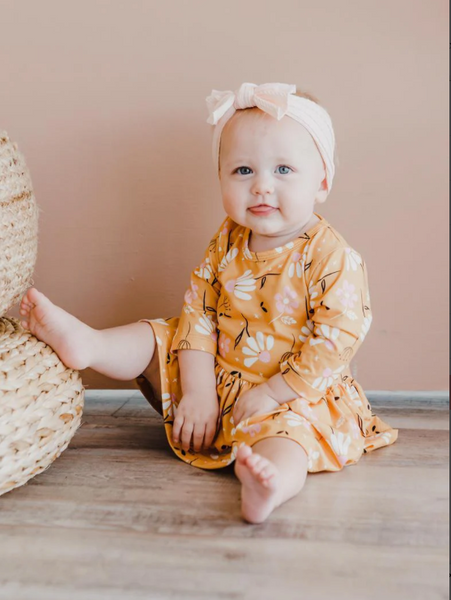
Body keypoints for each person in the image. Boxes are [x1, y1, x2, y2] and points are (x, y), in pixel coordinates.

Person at [19, 82, 398, 524]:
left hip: (292, 393)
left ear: (323, 182)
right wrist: (198, 393)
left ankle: (269, 483)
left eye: (283, 170)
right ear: (220, 177)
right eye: (243, 171)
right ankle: (90, 346)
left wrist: (273, 393)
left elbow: (336, 341)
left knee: (290, 437)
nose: (261, 187)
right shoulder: (228, 240)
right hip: (218, 383)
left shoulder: (329, 256)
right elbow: (199, 312)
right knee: (161, 334)